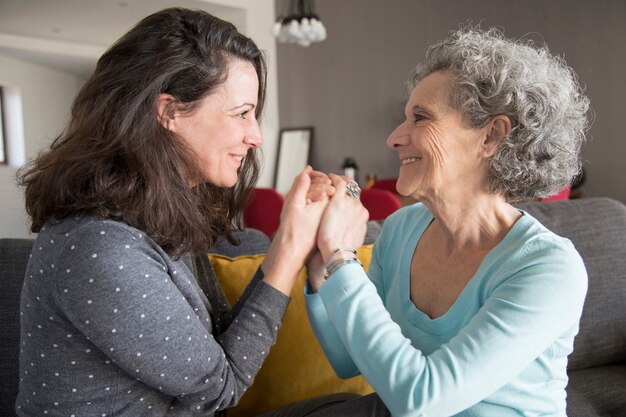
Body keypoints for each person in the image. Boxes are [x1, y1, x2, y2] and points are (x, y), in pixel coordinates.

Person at [14, 7, 360, 417]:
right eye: (241, 113)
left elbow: (218, 343)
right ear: (170, 112)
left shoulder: (153, 215)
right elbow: (220, 387)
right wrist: (288, 248)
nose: (256, 136)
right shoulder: (100, 248)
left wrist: (290, 242)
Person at [305, 27, 591, 416]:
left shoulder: (548, 268)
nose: (393, 138)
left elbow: (423, 399)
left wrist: (342, 258)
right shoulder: (402, 229)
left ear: (491, 136)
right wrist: (321, 258)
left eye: (420, 118)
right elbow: (347, 359)